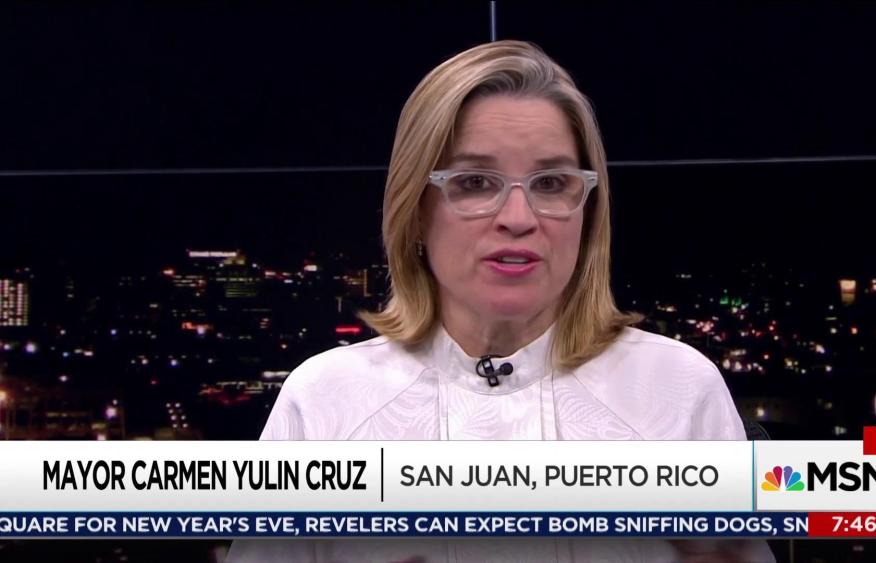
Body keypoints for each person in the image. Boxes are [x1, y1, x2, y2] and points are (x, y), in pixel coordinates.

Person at [228, 40, 773, 562]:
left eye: (551, 183)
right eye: (474, 182)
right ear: (415, 210)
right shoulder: (325, 403)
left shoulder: (678, 389)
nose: (518, 217)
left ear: (587, 213)